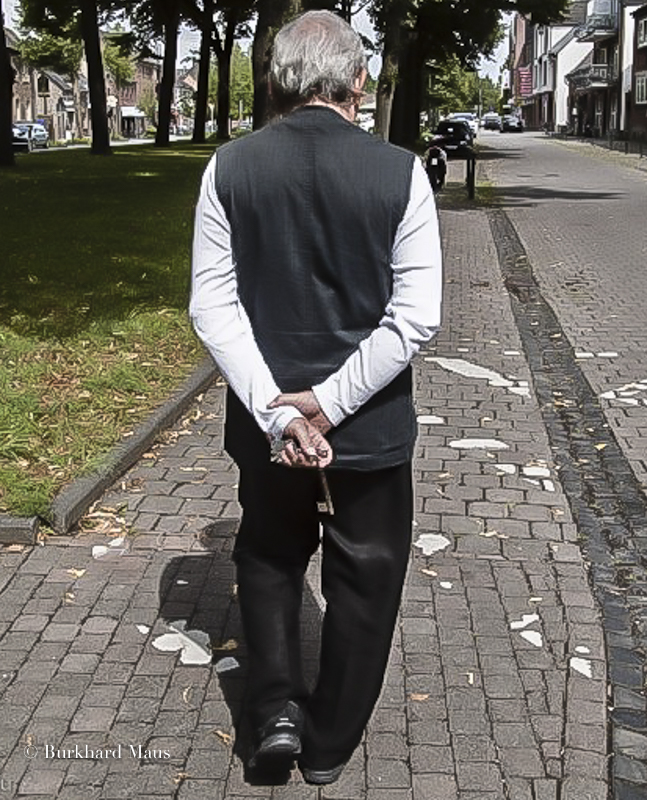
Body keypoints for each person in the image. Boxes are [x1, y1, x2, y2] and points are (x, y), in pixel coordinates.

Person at [190, 9, 442, 786]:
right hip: (366, 424)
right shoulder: (400, 171)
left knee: (268, 553)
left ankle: (273, 715)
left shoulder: (228, 167)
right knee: (366, 574)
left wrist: (276, 410)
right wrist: (326, 406)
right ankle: (329, 741)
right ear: (358, 81)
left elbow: (212, 305)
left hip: (266, 424)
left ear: (275, 79)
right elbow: (415, 316)